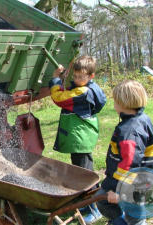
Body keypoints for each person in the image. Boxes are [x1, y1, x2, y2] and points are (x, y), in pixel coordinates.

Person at [49, 55, 106, 224]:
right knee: (82, 170)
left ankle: (94, 209)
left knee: (84, 174)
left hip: (79, 138)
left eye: (82, 77)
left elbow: (59, 98)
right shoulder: (91, 88)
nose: (77, 79)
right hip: (82, 136)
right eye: (75, 76)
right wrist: (66, 78)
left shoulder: (82, 92)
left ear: (91, 76)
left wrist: (55, 79)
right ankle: (85, 203)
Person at [95, 80, 153, 225]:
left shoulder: (129, 131)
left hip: (131, 182)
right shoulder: (143, 119)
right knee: (104, 199)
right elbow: (149, 147)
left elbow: (130, 162)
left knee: (129, 213)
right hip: (139, 177)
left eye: (115, 101)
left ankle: (123, 221)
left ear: (122, 104)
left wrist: (120, 192)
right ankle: (122, 220)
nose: (114, 104)